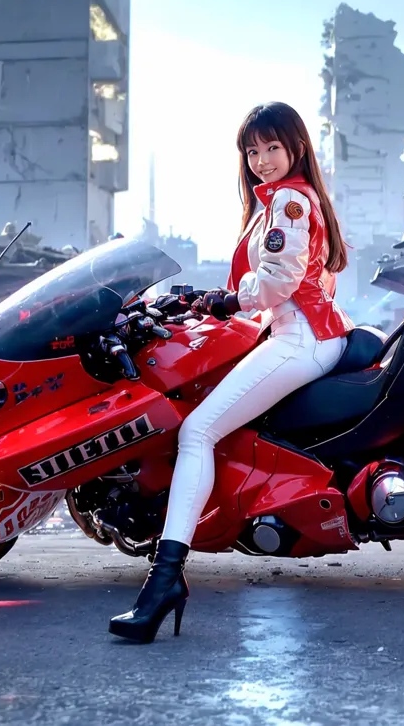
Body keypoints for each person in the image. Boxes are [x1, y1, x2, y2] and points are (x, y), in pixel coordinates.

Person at [109, 101, 354, 643]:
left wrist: (222, 301)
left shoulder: (289, 200)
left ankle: (165, 580)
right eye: (252, 150)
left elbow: (275, 285)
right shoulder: (279, 200)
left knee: (197, 430)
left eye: (272, 148)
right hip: (297, 332)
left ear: (296, 149)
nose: (262, 160)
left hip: (301, 339)